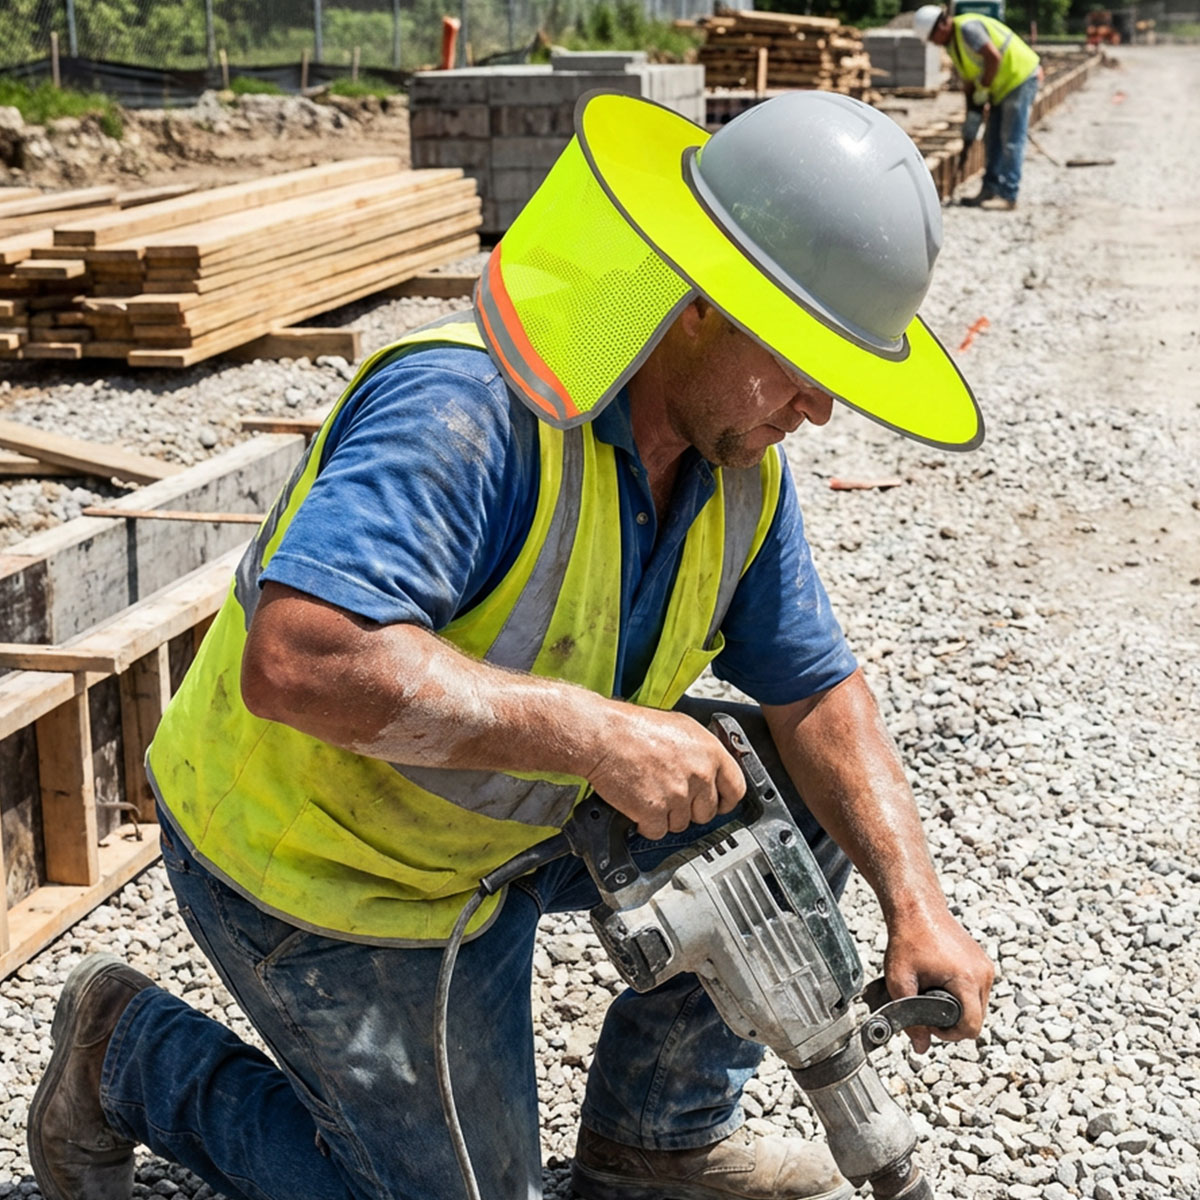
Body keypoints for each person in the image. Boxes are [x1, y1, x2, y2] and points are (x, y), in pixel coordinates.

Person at [27, 90, 995, 1200]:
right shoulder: (469, 408)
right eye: (802, 362)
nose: (820, 410)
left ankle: (659, 1139)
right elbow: (299, 659)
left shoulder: (740, 473)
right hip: (326, 865)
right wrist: (593, 734)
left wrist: (915, 901)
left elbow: (817, 694)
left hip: (498, 826)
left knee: (787, 786)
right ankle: (126, 1050)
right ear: (701, 303)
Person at [914, 3, 1042, 209]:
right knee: (991, 138)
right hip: (1001, 87)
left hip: (1019, 78)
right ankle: (989, 189)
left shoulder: (967, 29)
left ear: (941, 27)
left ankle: (1009, 195)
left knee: (1011, 139)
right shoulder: (952, 44)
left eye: (931, 38)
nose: (933, 43)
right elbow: (968, 80)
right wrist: (972, 110)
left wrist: (983, 87)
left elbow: (993, 57)